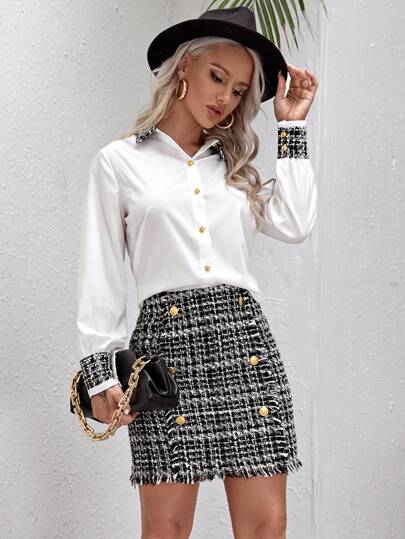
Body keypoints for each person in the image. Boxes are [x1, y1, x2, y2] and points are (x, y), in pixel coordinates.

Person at [76, 6, 319, 539]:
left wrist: (292, 126)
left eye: (238, 90)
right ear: (184, 66)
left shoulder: (234, 169)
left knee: (267, 526)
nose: (225, 97)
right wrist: (100, 369)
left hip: (246, 349)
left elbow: (296, 222)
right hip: (164, 355)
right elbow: (101, 273)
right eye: (217, 77)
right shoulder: (118, 163)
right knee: (165, 528)